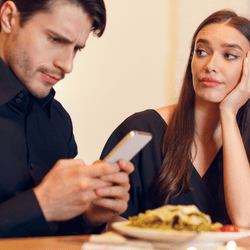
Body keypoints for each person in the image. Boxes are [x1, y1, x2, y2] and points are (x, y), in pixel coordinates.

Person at [101, 10, 250, 228]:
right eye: (201, 52)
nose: (210, 65)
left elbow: (245, 221)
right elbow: (107, 224)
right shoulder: (141, 130)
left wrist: (228, 113)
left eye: (229, 55)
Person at [0, 0, 134, 238]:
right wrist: (40, 205)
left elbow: (56, 233)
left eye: (76, 48)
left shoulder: (59, 120)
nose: (67, 64)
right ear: (9, 17)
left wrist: (88, 216)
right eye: (55, 39)